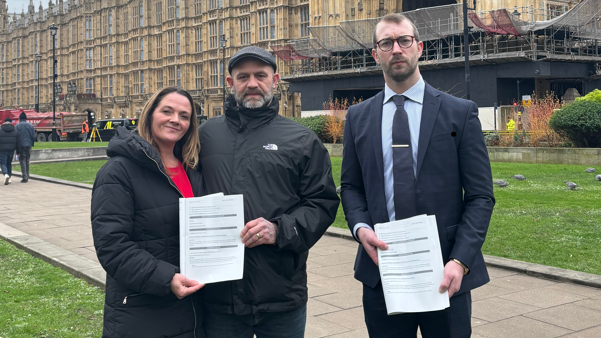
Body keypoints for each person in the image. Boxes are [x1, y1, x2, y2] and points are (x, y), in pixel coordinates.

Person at [340, 14, 495, 338]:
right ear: (375, 53)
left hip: (445, 271)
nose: (396, 49)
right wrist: (360, 228)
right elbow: (351, 187)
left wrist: (460, 261)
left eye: (404, 41)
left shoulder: (459, 112)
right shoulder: (357, 117)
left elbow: (481, 197)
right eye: (386, 43)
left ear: (419, 47)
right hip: (382, 273)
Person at [197, 46, 340, 338]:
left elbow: (322, 203)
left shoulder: (301, 139)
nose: (252, 83)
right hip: (219, 296)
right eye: (243, 76)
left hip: (281, 293)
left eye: (260, 75)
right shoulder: (205, 135)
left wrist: (279, 230)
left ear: (275, 80)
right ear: (230, 83)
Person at [91, 87, 205, 338]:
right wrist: (166, 279)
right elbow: (112, 246)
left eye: (184, 116)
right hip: (143, 307)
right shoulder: (117, 171)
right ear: (149, 115)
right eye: (167, 111)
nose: (176, 119)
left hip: (193, 307)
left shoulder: (193, 169)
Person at [0, 117, 21, 185]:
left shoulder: (0, 130)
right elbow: (18, 142)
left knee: (3, 163)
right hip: (11, 150)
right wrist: (18, 152)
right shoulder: (15, 131)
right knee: (9, 163)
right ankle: (9, 178)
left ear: (4, 122)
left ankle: (6, 174)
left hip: (2, 150)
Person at [15, 112, 35, 183]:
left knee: (22, 160)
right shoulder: (30, 125)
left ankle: (24, 176)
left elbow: (16, 137)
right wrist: (32, 143)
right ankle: (27, 174)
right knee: (27, 160)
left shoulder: (17, 126)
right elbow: (33, 136)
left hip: (21, 145)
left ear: (20, 118)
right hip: (28, 145)